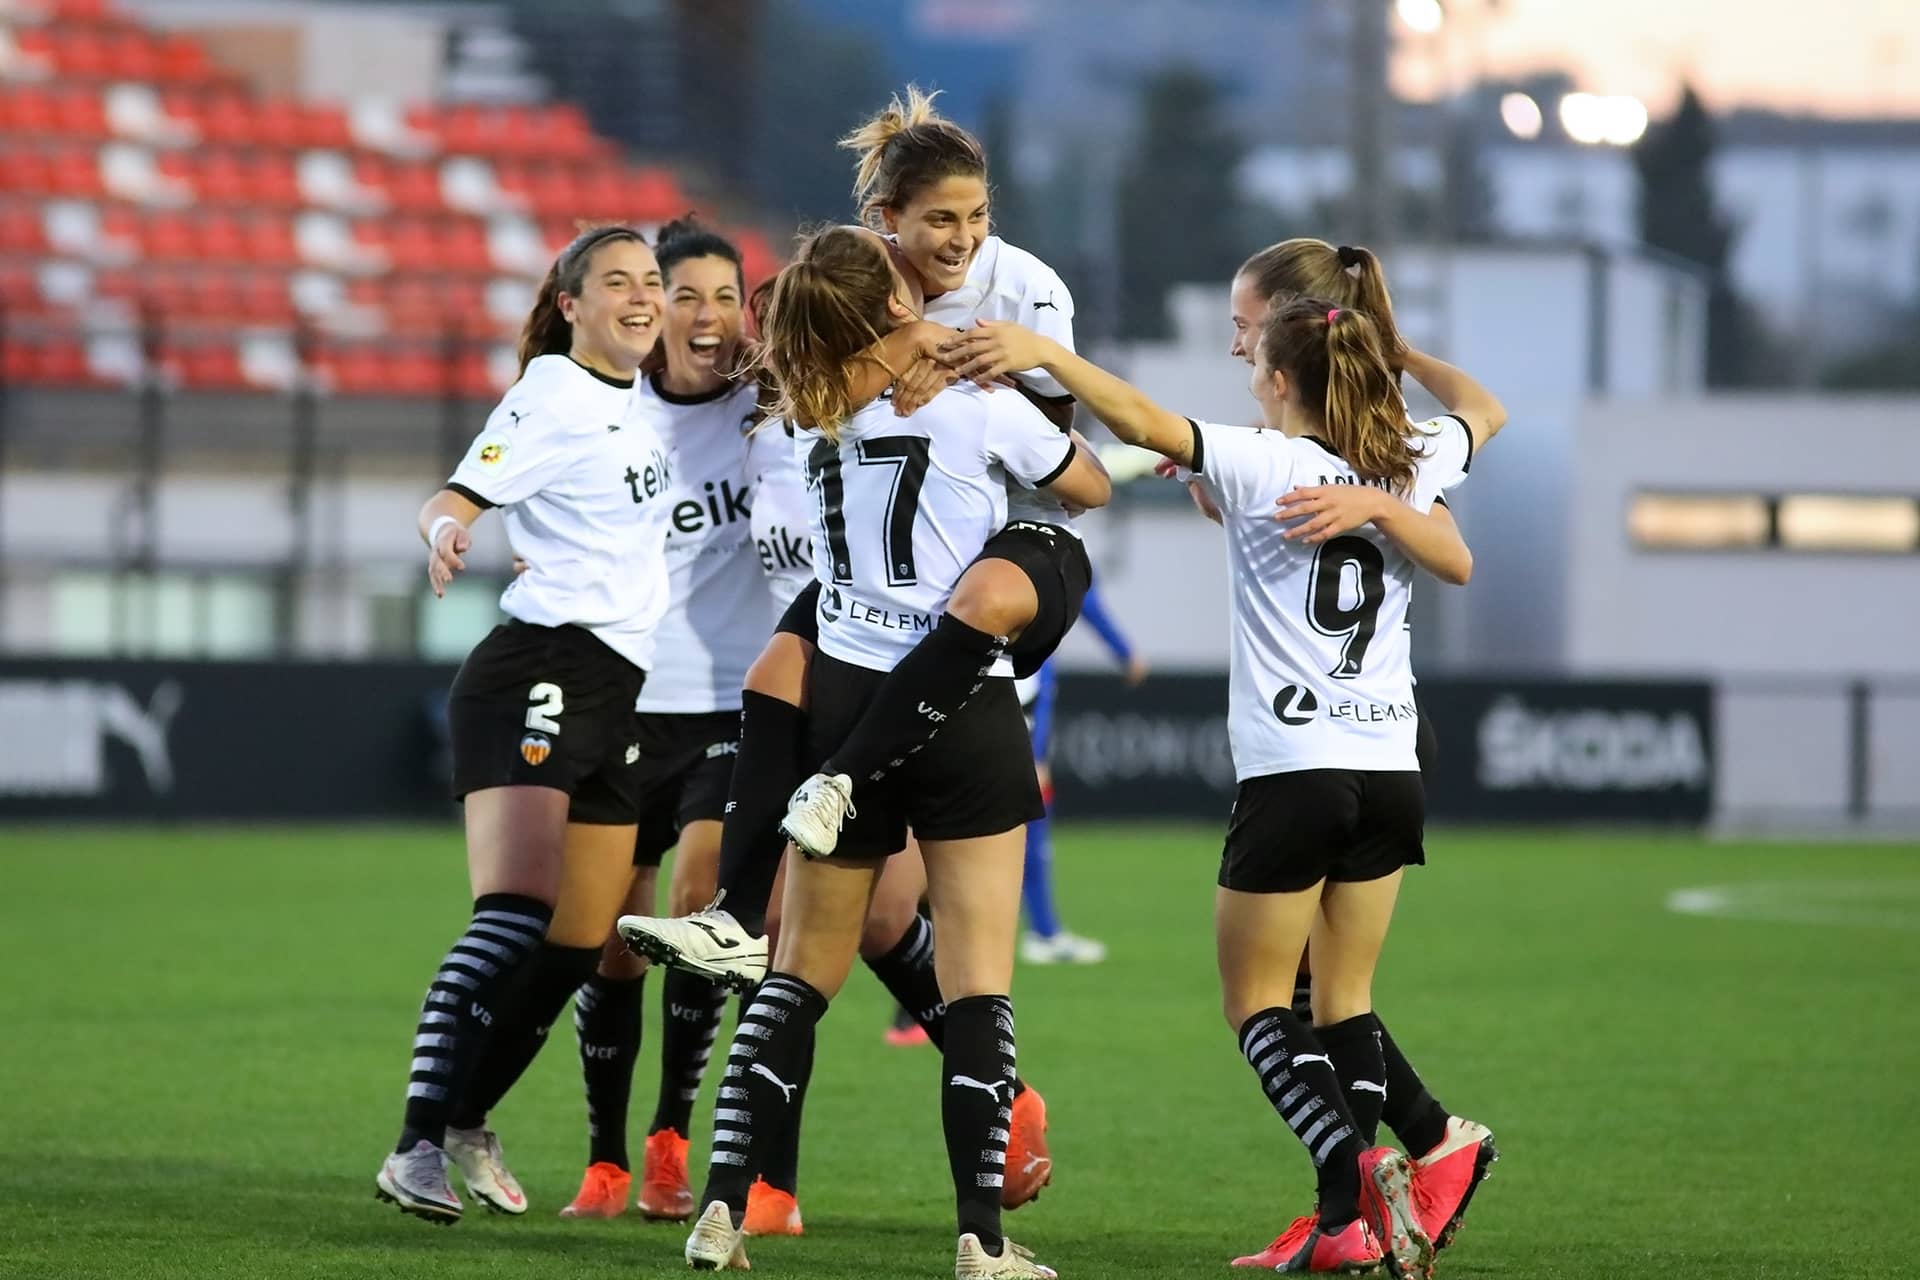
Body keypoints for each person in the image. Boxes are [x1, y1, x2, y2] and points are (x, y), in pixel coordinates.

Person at [937, 295, 1506, 1277]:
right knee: (1343, 997)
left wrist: (1043, 354)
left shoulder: (1262, 453)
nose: (1244, 361)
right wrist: (1395, 360)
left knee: (1254, 1003)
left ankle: (1352, 1182)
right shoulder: (1406, 455)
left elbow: (1142, 420)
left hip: (1296, 768)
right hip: (1391, 764)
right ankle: (1365, 1203)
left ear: (1281, 377)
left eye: (1254, 349)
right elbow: (1484, 411)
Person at [619, 86, 1083, 1210]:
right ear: (887, 222)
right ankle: (730, 1134)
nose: (959, 241)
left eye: (972, 219)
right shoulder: (832, 315)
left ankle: (742, 1152)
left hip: (975, 581)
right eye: (937, 223)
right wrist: (902, 347)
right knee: (844, 890)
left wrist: (962, 359)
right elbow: (792, 380)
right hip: (853, 620)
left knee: (853, 914)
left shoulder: (1022, 291)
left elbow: (1068, 452)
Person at [680, 224, 1109, 1279]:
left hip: (841, 700)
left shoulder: (801, 419)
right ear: (897, 310)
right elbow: (1088, 484)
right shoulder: (973, 401)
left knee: (793, 982)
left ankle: (721, 1211)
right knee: (977, 986)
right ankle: (983, 1238)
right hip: (955, 703)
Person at [372, 225, 674, 1224]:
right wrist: (450, 531)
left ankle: (466, 1113)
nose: (643, 297)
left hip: (615, 688)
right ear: (572, 303)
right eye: (617, 282)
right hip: (538, 668)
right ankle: (416, 1141)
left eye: (652, 282)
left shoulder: (644, 401)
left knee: (576, 944)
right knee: (511, 911)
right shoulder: (551, 390)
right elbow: (453, 493)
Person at [1218, 239, 1500, 1260]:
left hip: (1320, 743)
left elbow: (1452, 549)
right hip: (1369, 748)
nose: (1235, 338)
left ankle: (1363, 1190)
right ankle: (1398, 1169)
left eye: (1246, 323)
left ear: (1295, 329)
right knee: (1327, 998)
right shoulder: (1363, 442)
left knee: (1282, 999)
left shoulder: (1338, 446)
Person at [532, 216, 777, 1224]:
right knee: (609, 938)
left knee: (697, 907)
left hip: (733, 704)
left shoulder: (771, 408)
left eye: (728, 296)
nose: (711, 316)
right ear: (648, 307)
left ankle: (671, 1136)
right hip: (627, 701)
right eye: (688, 296)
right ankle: (602, 1157)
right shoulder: (605, 411)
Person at [1017, 580, 1146, 966]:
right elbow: (1086, 599)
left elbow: (1086, 598)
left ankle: (1044, 930)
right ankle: (1040, 933)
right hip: (1011, 694)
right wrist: (1124, 651)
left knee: (1029, 815)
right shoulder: (1039, 546)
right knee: (1024, 812)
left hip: (1021, 691)